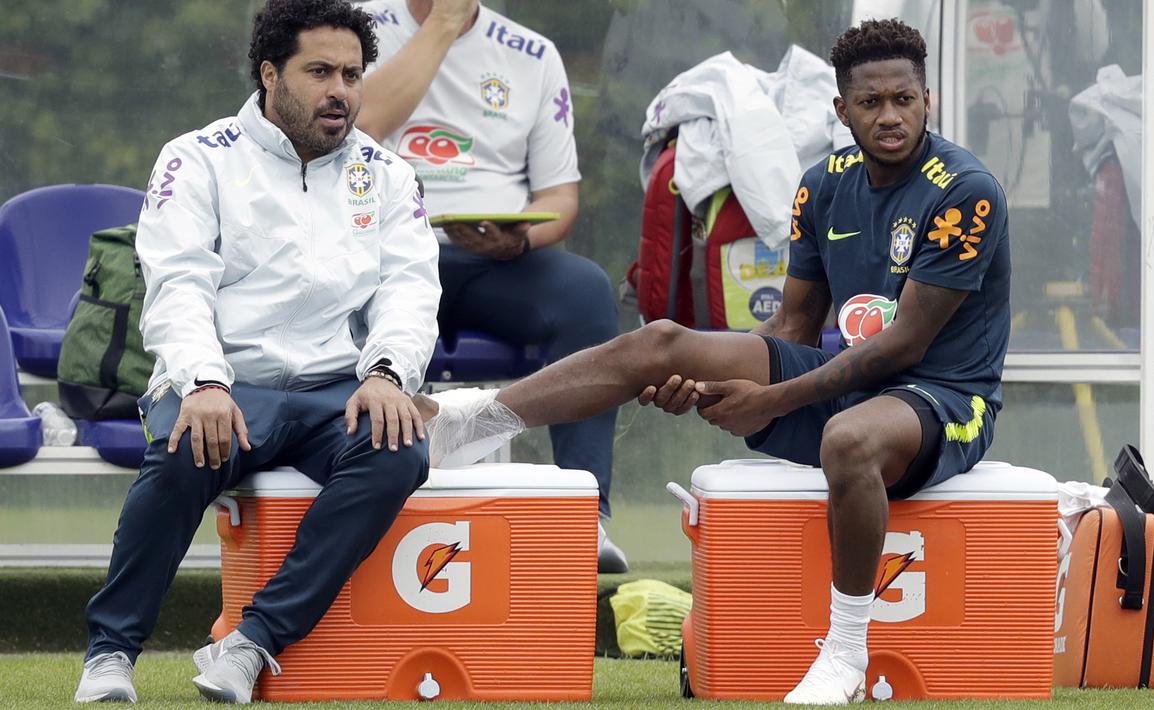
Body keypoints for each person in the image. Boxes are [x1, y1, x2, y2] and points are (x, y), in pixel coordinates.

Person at [421, 18, 1010, 706]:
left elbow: (904, 345)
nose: (888, 117)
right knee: (660, 341)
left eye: (903, 100)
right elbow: (793, 324)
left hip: (940, 398)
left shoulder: (964, 190)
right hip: (853, 378)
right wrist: (701, 379)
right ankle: (476, 423)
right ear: (840, 110)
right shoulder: (822, 184)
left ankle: (846, 652)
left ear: (926, 101)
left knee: (846, 441)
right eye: (870, 102)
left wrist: (773, 400)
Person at [74, 0, 440, 703]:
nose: (341, 91)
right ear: (269, 75)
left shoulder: (387, 174)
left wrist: (389, 371)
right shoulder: (197, 158)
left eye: (353, 75)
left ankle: (251, 643)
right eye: (320, 72)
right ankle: (111, 653)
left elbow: (409, 289)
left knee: (400, 449)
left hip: (336, 388)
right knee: (186, 446)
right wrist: (206, 383)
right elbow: (177, 285)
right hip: (226, 382)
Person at [353, 0, 627, 571]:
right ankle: (359, 494)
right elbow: (364, 123)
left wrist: (519, 239)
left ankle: (586, 514)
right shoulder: (356, 27)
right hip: (383, 250)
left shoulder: (532, 53)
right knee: (335, 296)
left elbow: (558, 200)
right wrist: (445, 24)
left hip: (492, 261)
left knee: (585, 291)